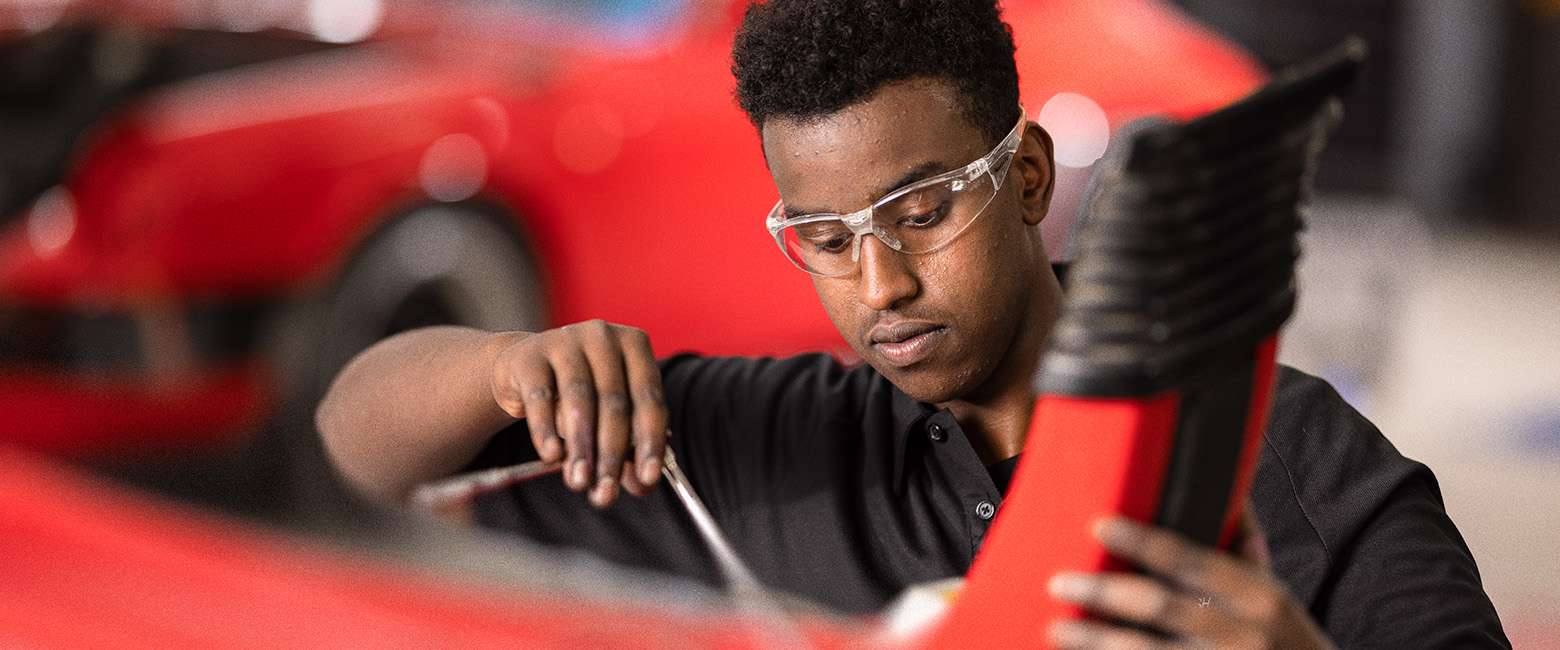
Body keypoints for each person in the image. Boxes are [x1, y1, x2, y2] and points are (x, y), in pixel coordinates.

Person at [317, 0, 1510, 647]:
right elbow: (357, 441)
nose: (879, 283)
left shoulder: (1298, 469)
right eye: (825, 237)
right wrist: (506, 365)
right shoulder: (787, 444)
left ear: (1028, 177)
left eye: (921, 210)